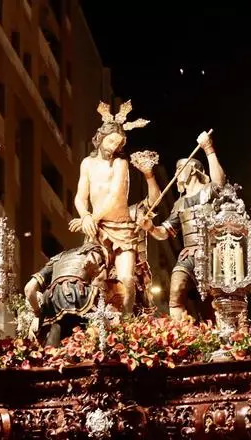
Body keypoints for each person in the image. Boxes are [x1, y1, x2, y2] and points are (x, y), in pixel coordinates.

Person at [73, 100, 149, 315]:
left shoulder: (120, 164)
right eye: (111, 141)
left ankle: (126, 320)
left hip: (122, 228)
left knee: (126, 278)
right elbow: (80, 197)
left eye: (118, 143)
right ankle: (94, 319)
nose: (114, 146)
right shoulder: (87, 163)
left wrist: (91, 218)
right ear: (101, 138)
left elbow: (116, 197)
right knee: (88, 275)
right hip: (97, 229)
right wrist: (85, 216)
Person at [138, 131, 225, 319]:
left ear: (193, 169)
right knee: (176, 290)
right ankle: (181, 334)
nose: (176, 173)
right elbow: (164, 232)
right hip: (189, 254)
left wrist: (208, 148)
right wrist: (150, 227)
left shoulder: (209, 191)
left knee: (213, 301)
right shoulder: (179, 203)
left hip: (211, 252)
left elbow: (219, 182)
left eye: (180, 169)